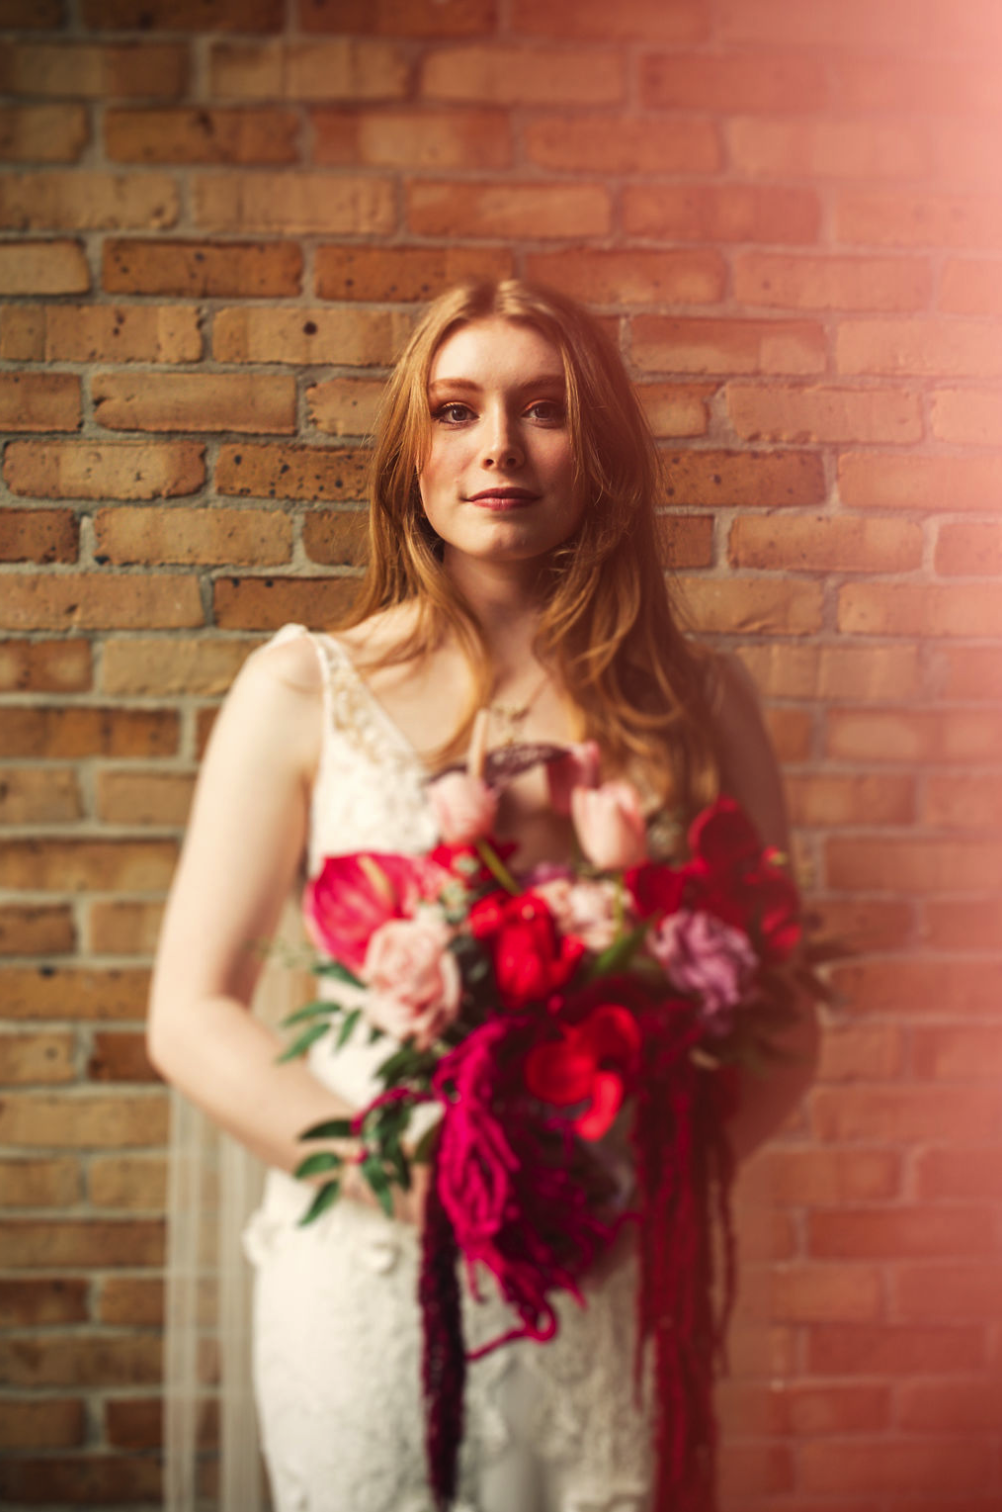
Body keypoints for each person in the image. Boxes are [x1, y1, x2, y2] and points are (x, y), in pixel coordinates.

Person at [148, 278, 818, 1512]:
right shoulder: (302, 689)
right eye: (456, 412)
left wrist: (637, 1188)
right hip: (376, 1262)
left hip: (612, 1274)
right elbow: (190, 1013)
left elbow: (782, 1017)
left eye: (544, 409)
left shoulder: (701, 702)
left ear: (600, 449)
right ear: (414, 452)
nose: (498, 446)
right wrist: (396, 1170)